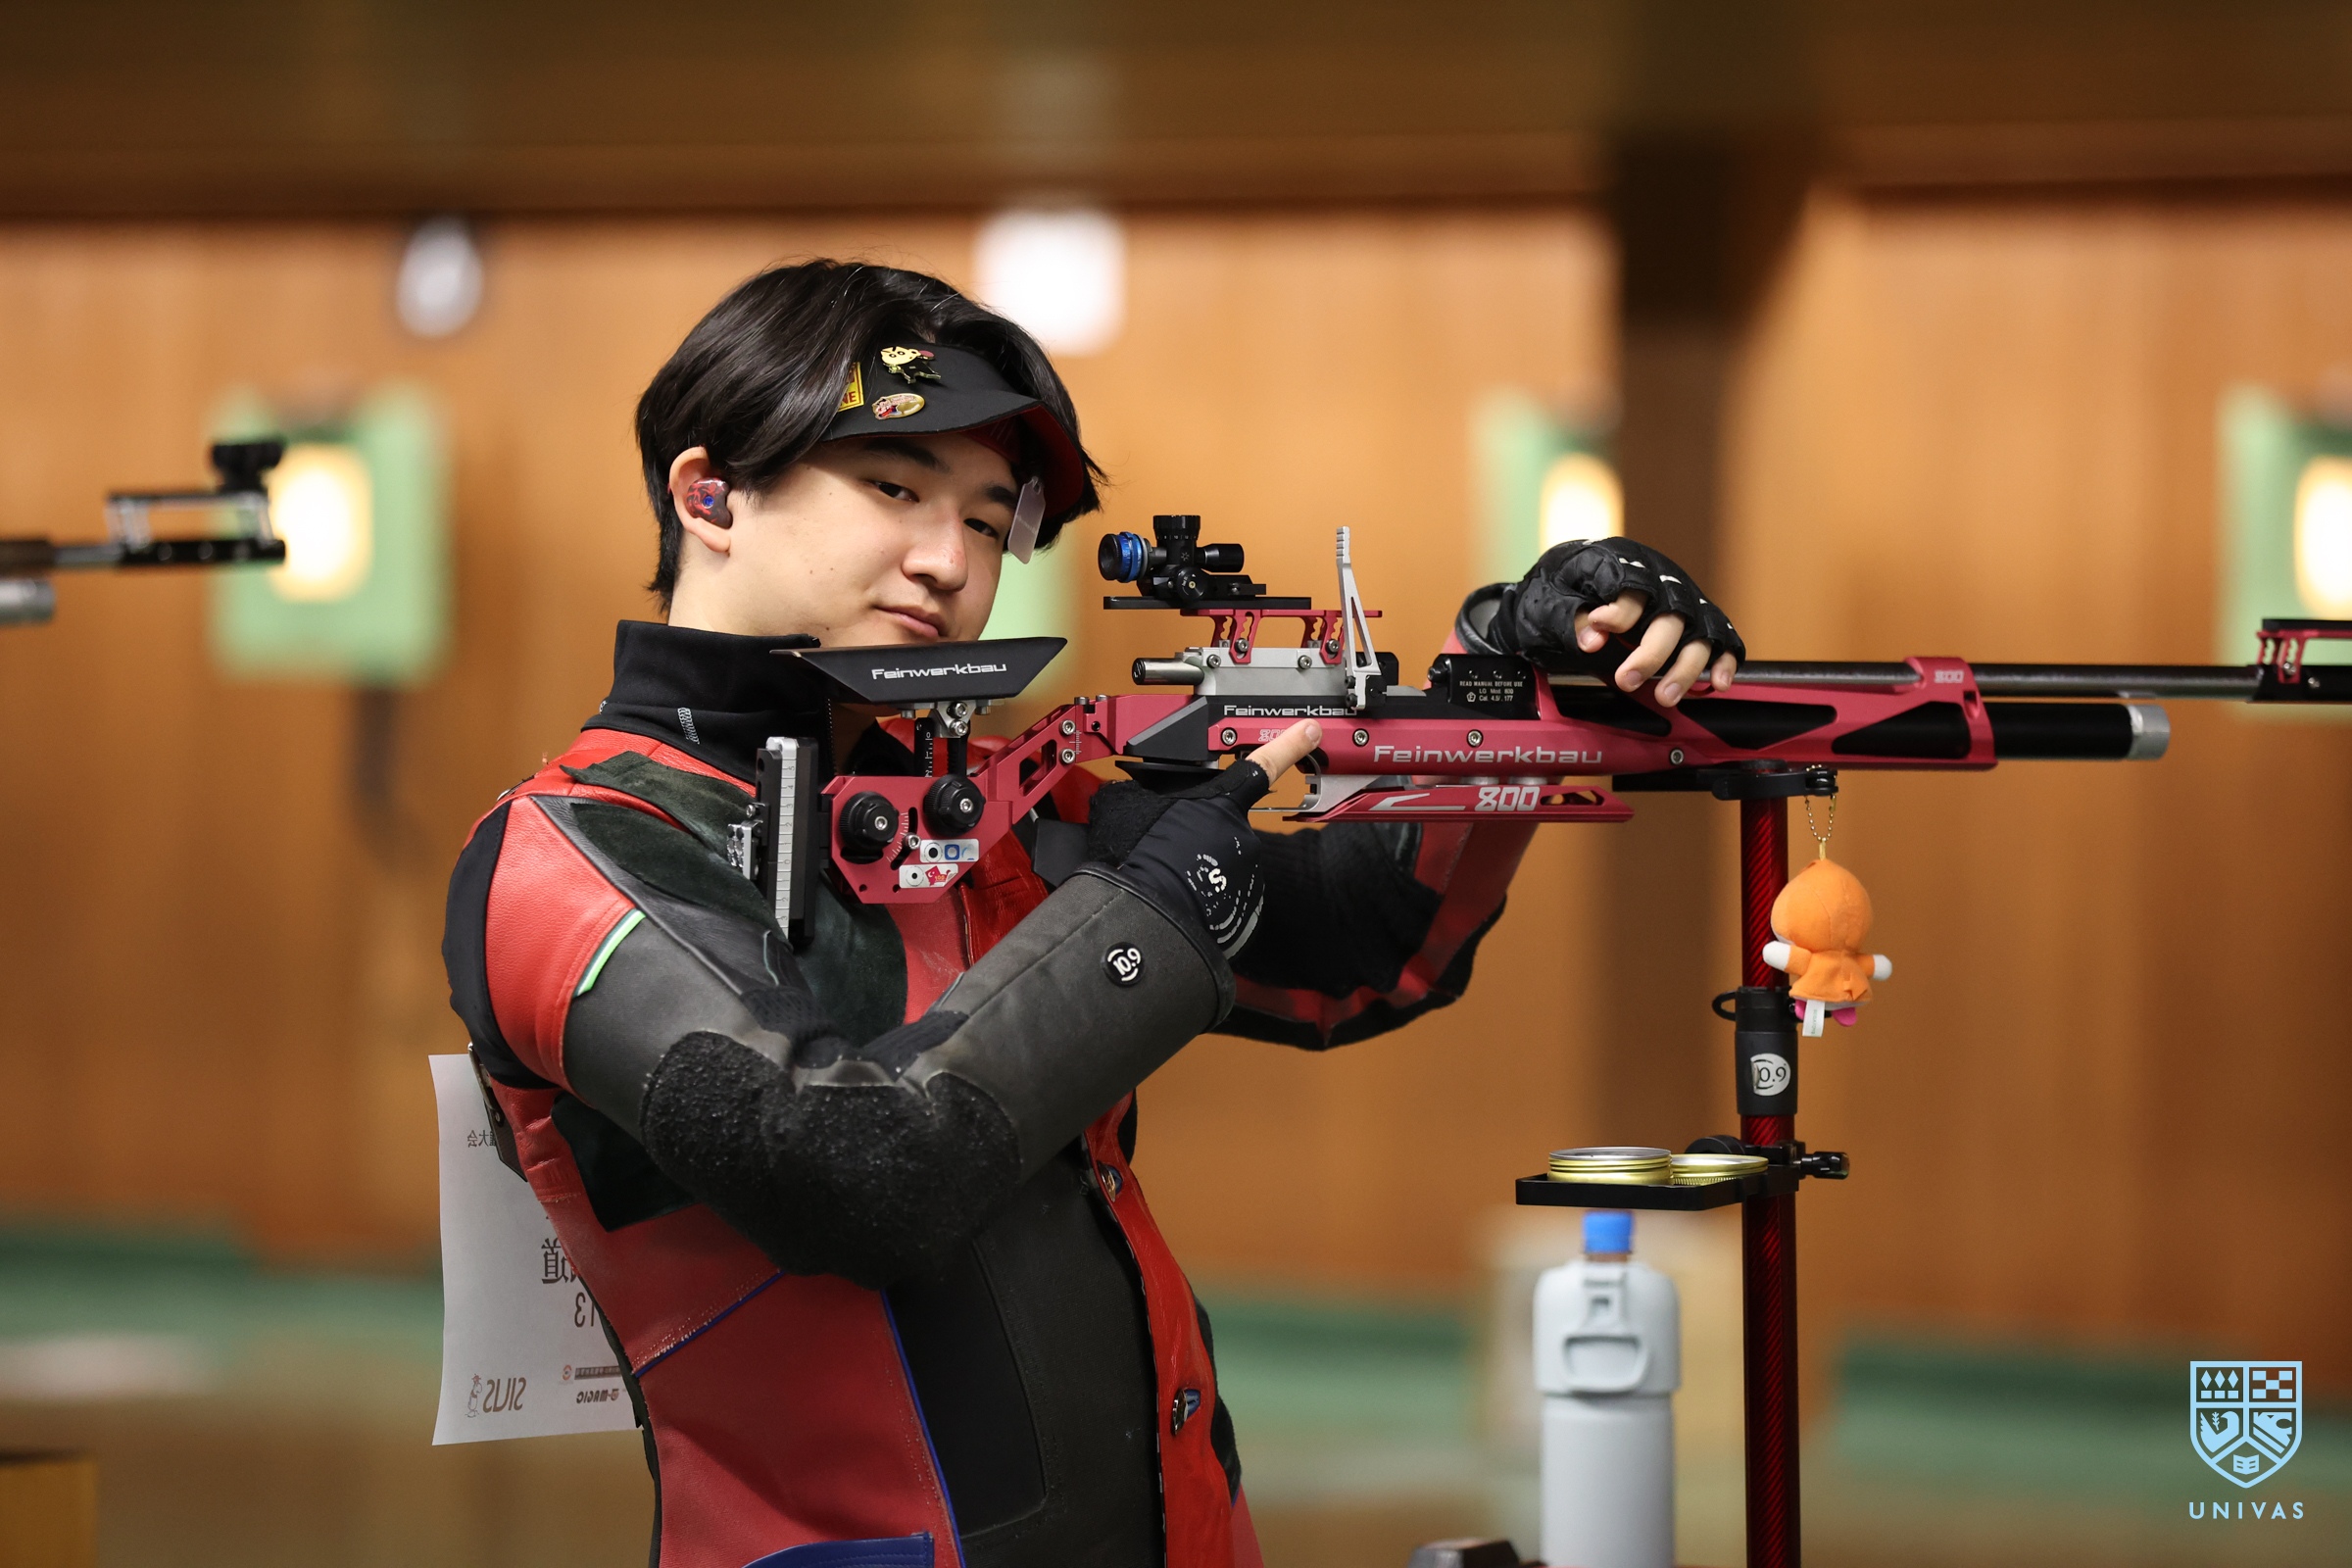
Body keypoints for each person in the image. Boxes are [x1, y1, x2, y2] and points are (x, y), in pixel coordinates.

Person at [440, 260, 1742, 1568]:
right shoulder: (567, 853)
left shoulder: (987, 800)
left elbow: (1367, 950)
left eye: (987, 520)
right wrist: (1153, 907)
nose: (950, 561)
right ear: (708, 493)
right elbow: (852, 1173)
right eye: (894, 488)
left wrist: (1503, 672)